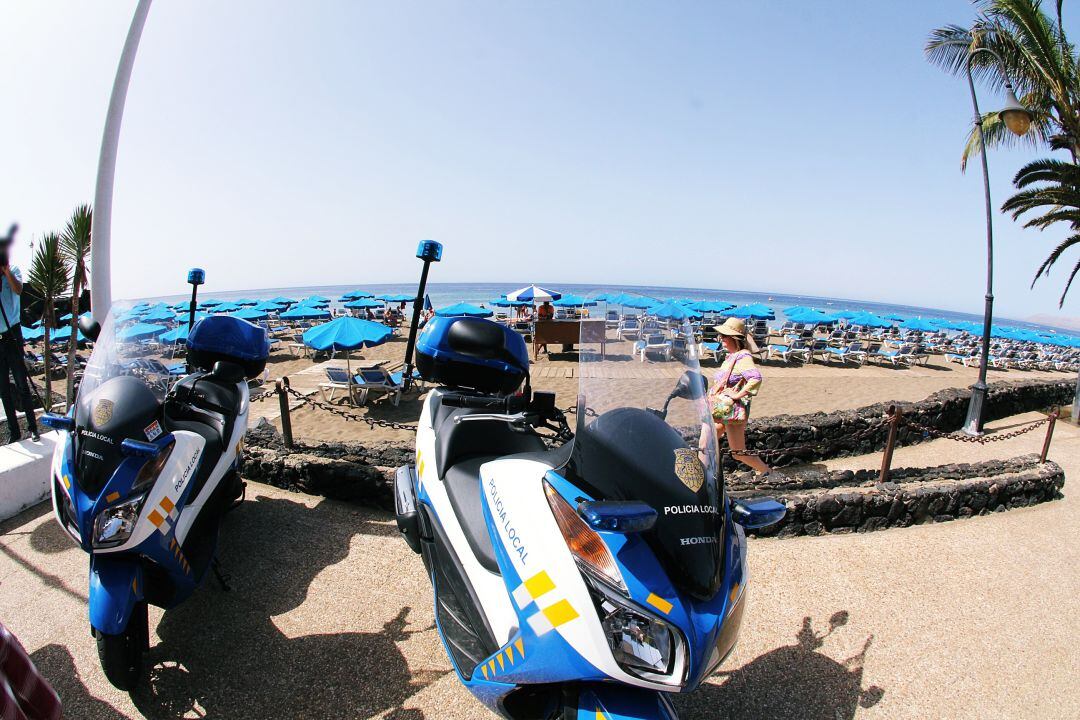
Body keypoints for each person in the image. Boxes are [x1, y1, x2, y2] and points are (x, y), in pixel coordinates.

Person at [708, 317, 769, 475]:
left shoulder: (743, 356)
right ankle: (705, 474)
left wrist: (737, 395)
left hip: (732, 409)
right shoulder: (732, 356)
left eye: (724, 336)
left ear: (734, 338)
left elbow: (756, 378)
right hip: (723, 408)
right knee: (707, 437)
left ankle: (767, 471)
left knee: (738, 453)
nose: (721, 339)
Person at [0, 225, 39, 443]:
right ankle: (14, 433)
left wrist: (6, 272)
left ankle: (32, 427)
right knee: (3, 389)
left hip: (12, 334)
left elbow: (18, 290)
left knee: (22, 384)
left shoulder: (12, 271)